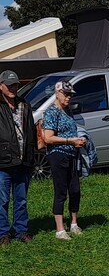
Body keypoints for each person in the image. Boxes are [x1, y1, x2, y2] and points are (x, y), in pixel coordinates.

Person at [43, 81, 86, 241]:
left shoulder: (67, 110)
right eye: (66, 94)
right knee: (61, 191)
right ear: (57, 93)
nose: (69, 97)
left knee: (75, 190)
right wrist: (70, 141)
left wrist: (80, 140)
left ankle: (74, 223)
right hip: (58, 155)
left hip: (72, 154)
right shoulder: (51, 112)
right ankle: (60, 229)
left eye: (71, 95)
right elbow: (48, 138)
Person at [0, 70, 36, 245]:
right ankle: (3, 233)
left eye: (15, 85)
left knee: (21, 199)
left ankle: (21, 231)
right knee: (2, 200)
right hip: (3, 162)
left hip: (23, 161)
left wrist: (32, 155)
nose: (13, 88)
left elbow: (30, 131)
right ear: (1, 86)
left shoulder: (24, 105)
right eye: (9, 85)